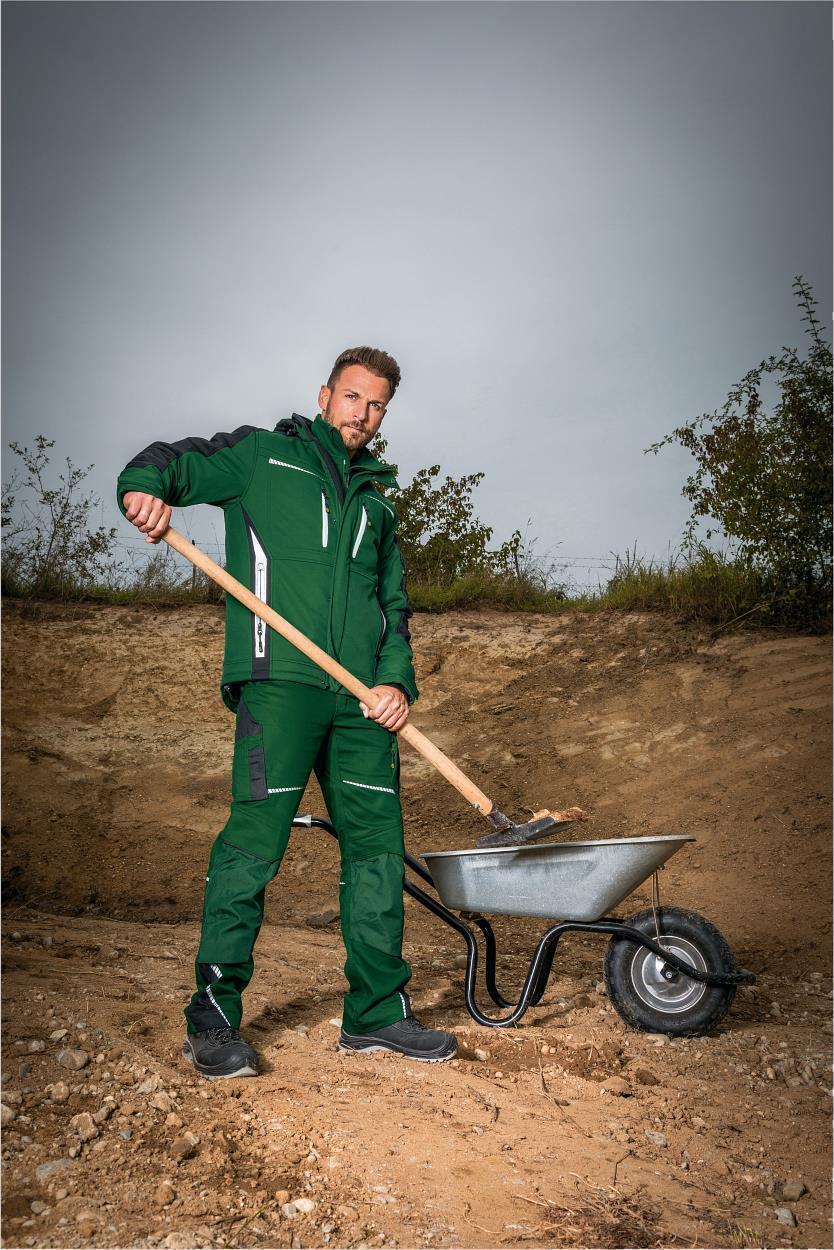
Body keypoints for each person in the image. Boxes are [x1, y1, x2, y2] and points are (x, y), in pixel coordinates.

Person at [117, 346, 457, 1076]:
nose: (363, 414)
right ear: (325, 394)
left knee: (377, 851)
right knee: (253, 848)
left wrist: (395, 683)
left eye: (377, 405)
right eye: (353, 397)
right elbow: (171, 461)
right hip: (279, 686)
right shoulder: (262, 458)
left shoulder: (378, 503)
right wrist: (143, 489)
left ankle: (376, 1013)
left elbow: (393, 607)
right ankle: (212, 1021)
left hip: (363, 703)